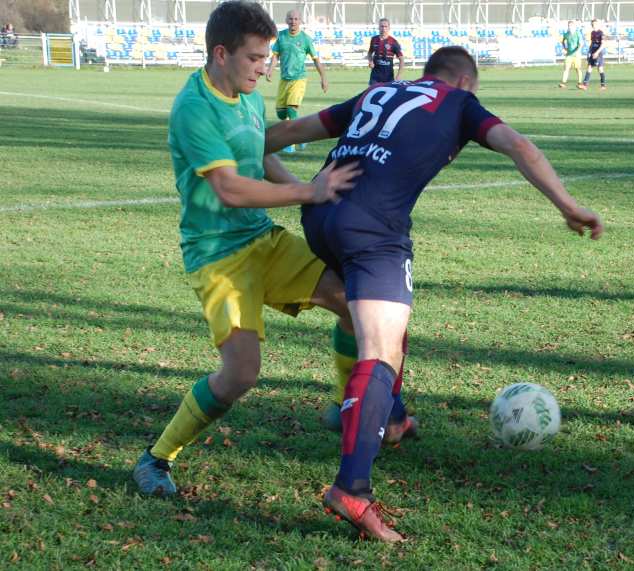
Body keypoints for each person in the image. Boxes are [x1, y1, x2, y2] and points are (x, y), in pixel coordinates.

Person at [265, 46, 604, 542]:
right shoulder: (460, 103)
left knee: (383, 322)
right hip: (373, 226)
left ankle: (394, 419)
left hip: (320, 215)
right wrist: (568, 206)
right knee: (379, 349)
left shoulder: (378, 90)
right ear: (466, 82)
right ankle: (351, 488)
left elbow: (288, 132)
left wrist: (247, 150)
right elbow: (521, 147)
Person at [132, 0, 362, 498]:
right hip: (218, 257)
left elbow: (258, 153)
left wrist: (305, 185)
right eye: (256, 57)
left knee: (350, 299)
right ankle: (156, 458)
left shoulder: (249, 95)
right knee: (241, 374)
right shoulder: (194, 108)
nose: (266, 66)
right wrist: (308, 192)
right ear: (221, 53)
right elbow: (231, 188)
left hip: (261, 239)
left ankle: (345, 406)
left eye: (269, 56)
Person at [266, 9, 328, 153]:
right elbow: (275, 56)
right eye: (290, 19)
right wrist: (270, 69)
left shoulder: (306, 39)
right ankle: (303, 137)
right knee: (281, 113)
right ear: (286, 20)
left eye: (296, 19)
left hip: (299, 79)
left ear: (300, 21)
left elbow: (316, 60)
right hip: (284, 80)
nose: (293, 21)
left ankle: (290, 143)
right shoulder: (281, 36)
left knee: (291, 109)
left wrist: (323, 77)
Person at [367, 18, 404, 86]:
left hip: (388, 77)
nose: (383, 28)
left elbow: (401, 59)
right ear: (379, 27)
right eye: (382, 26)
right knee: (373, 94)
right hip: (375, 76)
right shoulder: (374, 39)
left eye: (385, 26)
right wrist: (370, 61)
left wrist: (399, 75)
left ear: (389, 28)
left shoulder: (393, 42)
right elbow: (369, 53)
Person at [578, 19, 606, 91]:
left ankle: (603, 85)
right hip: (593, 51)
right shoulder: (592, 33)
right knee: (589, 67)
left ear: (598, 25)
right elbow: (592, 43)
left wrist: (597, 52)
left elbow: (603, 45)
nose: (594, 25)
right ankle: (584, 85)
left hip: (598, 52)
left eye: (595, 24)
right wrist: (589, 51)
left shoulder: (601, 33)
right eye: (592, 24)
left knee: (600, 68)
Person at [558, 20, 583, 89]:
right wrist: (564, 48)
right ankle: (563, 83)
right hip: (569, 54)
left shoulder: (578, 33)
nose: (570, 27)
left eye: (571, 26)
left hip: (577, 55)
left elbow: (581, 44)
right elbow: (562, 41)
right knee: (566, 68)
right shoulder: (566, 34)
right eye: (569, 26)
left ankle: (580, 83)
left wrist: (577, 51)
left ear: (574, 27)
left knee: (578, 69)